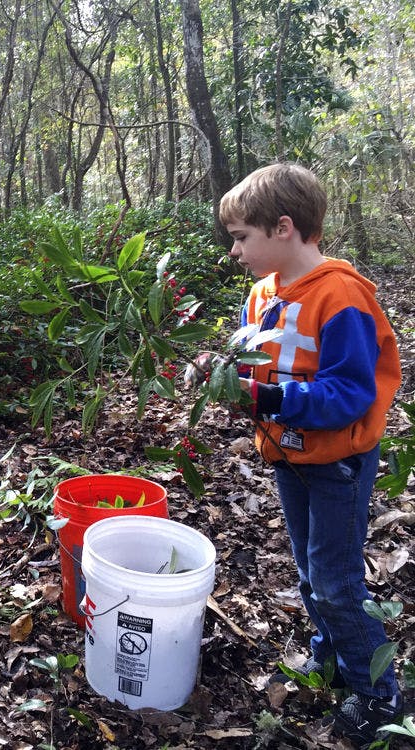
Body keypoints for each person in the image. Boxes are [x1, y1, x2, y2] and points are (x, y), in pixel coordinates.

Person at [218, 163, 405, 746]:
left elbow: (351, 393)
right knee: (308, 571)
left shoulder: (341, 295)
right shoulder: (262, 293)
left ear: (283, 229)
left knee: (336, 581)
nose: (234, 251)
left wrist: (270, 398)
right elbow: (250, 360)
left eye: (242, 237)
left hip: (336, 463)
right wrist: (219, 374)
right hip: (287, 456)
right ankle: (330, 659)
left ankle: (382, 700)